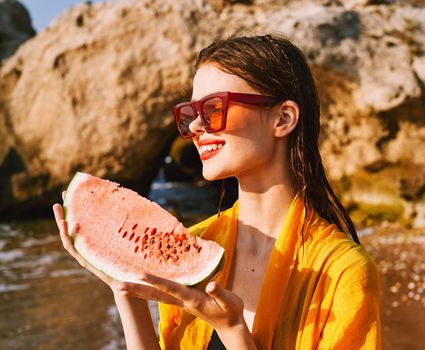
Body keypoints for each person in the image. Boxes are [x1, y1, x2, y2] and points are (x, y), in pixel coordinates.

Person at [53, 34, 381, 349]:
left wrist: (232, 332)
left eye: (213, 108)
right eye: (191, 114)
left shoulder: (344, 272)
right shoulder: (195, 243)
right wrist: (124, 288)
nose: (195, 128)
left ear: (283, 118)